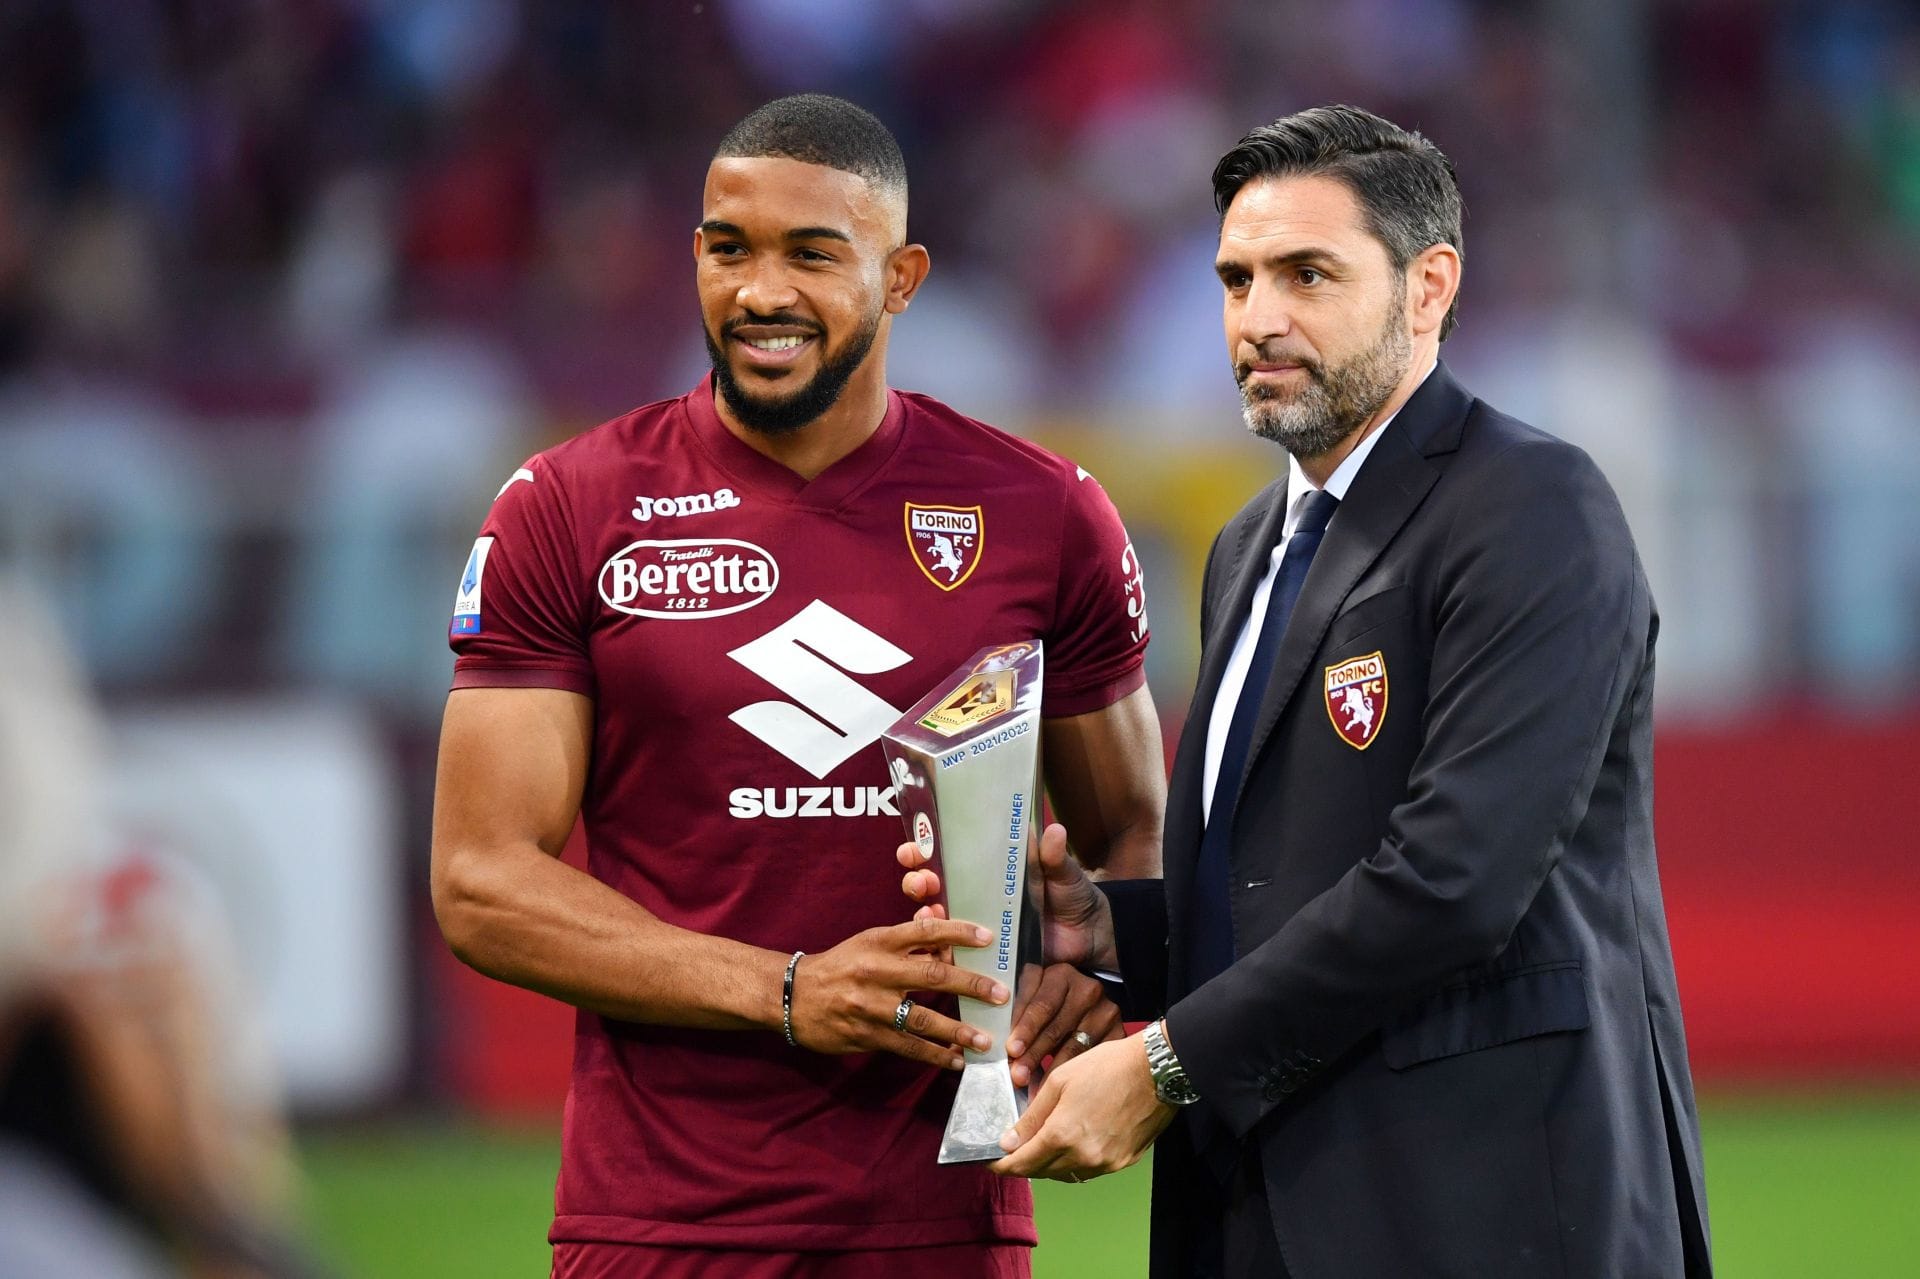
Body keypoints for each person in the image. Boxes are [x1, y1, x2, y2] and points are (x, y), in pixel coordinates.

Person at [904, 105, 1713, 1277]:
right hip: (1260, 1213)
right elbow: (1279, 880)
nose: (1259, 317)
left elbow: (1454, 881)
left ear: (1429, 287)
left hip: (1486, 1214)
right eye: (1236, 280)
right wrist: (1115, 929)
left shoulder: (1532, 508)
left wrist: (1165, 1063)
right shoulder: (1250, 547)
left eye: (1307, 274)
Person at [430, 94, 1165, 1278]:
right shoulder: (568, 507)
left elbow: (1132, 831)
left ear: (902, 277)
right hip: (658, 1227)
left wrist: (1098, 976)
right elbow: (481, 880)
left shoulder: (1044, 514)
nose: (760, 292)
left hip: (946, 1225)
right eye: (730, 250)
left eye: (812, 255)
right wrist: (785, 990)